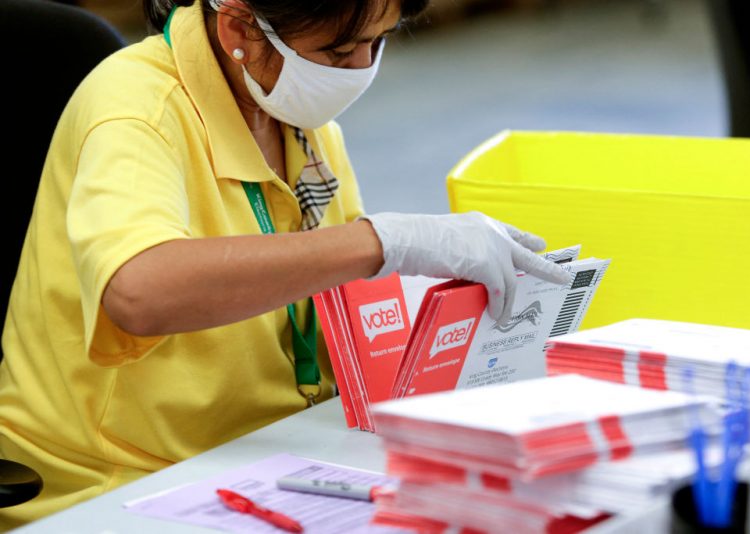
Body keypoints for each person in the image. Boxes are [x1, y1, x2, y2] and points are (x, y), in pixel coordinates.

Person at [0, 0, 569, 526]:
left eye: (379, 41)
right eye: (338, 52)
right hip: (127, 478)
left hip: (271, 453)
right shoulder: (137, 110)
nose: (360, 69)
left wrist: (455, 332)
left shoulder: (296, 116)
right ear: (240, 28)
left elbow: (336, 296)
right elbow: (138, 292)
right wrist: (382, 242)